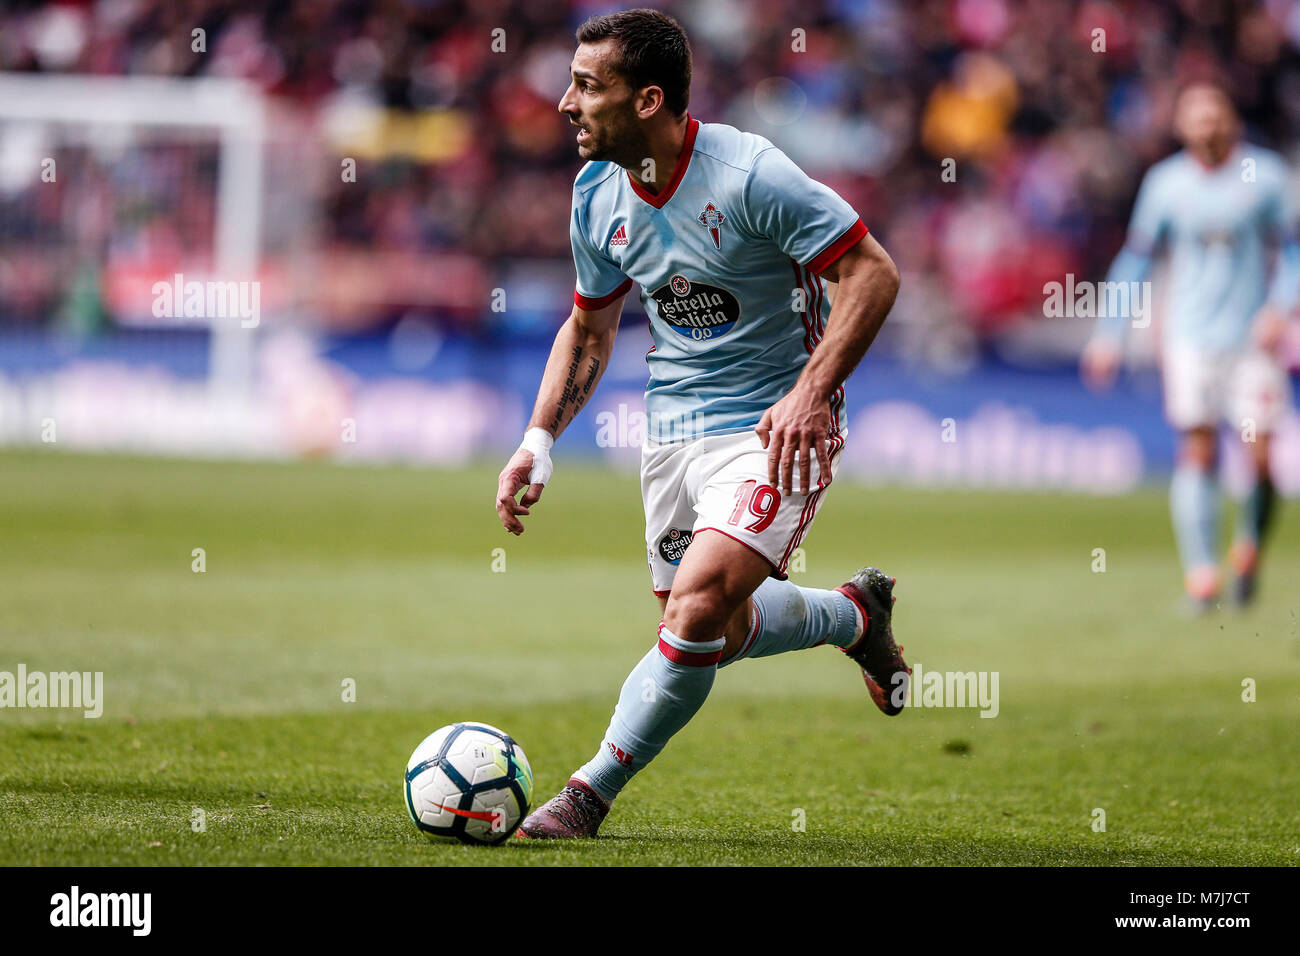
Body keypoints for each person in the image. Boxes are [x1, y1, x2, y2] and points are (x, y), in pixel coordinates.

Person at [494, 9, 908, 838]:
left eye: (587, 85)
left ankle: (587, 793)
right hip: (672, 431)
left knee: (693, 613)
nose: (567, 103)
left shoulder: (750, 175)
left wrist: (810, 392)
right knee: (721, 630)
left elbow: (873, 273)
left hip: (776, 427)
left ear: (649, 100)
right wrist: (539, 438)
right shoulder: (596, 192)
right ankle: (854, 616)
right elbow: (589, 327)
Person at [1082, 82, 1298, 612]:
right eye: (1196, 116)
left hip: (1251, 341)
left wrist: (1280, 307)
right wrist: (1110, 334)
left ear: (1232, 121)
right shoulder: (1166, 184)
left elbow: (1293, 251)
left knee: (1262, 462)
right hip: (1189, 340)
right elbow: (1136, 260)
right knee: (1197, 450)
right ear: (1181, 126)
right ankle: (1203, 574)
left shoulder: (1264, 177)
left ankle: (1248, 548)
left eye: (1215, 113)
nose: (1207, 124)